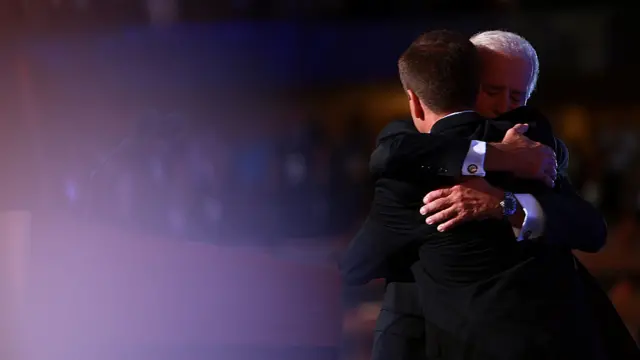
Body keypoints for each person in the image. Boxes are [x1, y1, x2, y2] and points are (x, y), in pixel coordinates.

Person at [340, 30, 636, 359]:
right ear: (465, 82)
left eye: (517, 96)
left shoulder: (536, 147)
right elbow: (390, 156)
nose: (502, 107)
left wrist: (503, 204)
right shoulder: (410, 144)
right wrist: (497, 155)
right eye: (491, 90)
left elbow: (590, 228)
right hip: (431, 334)